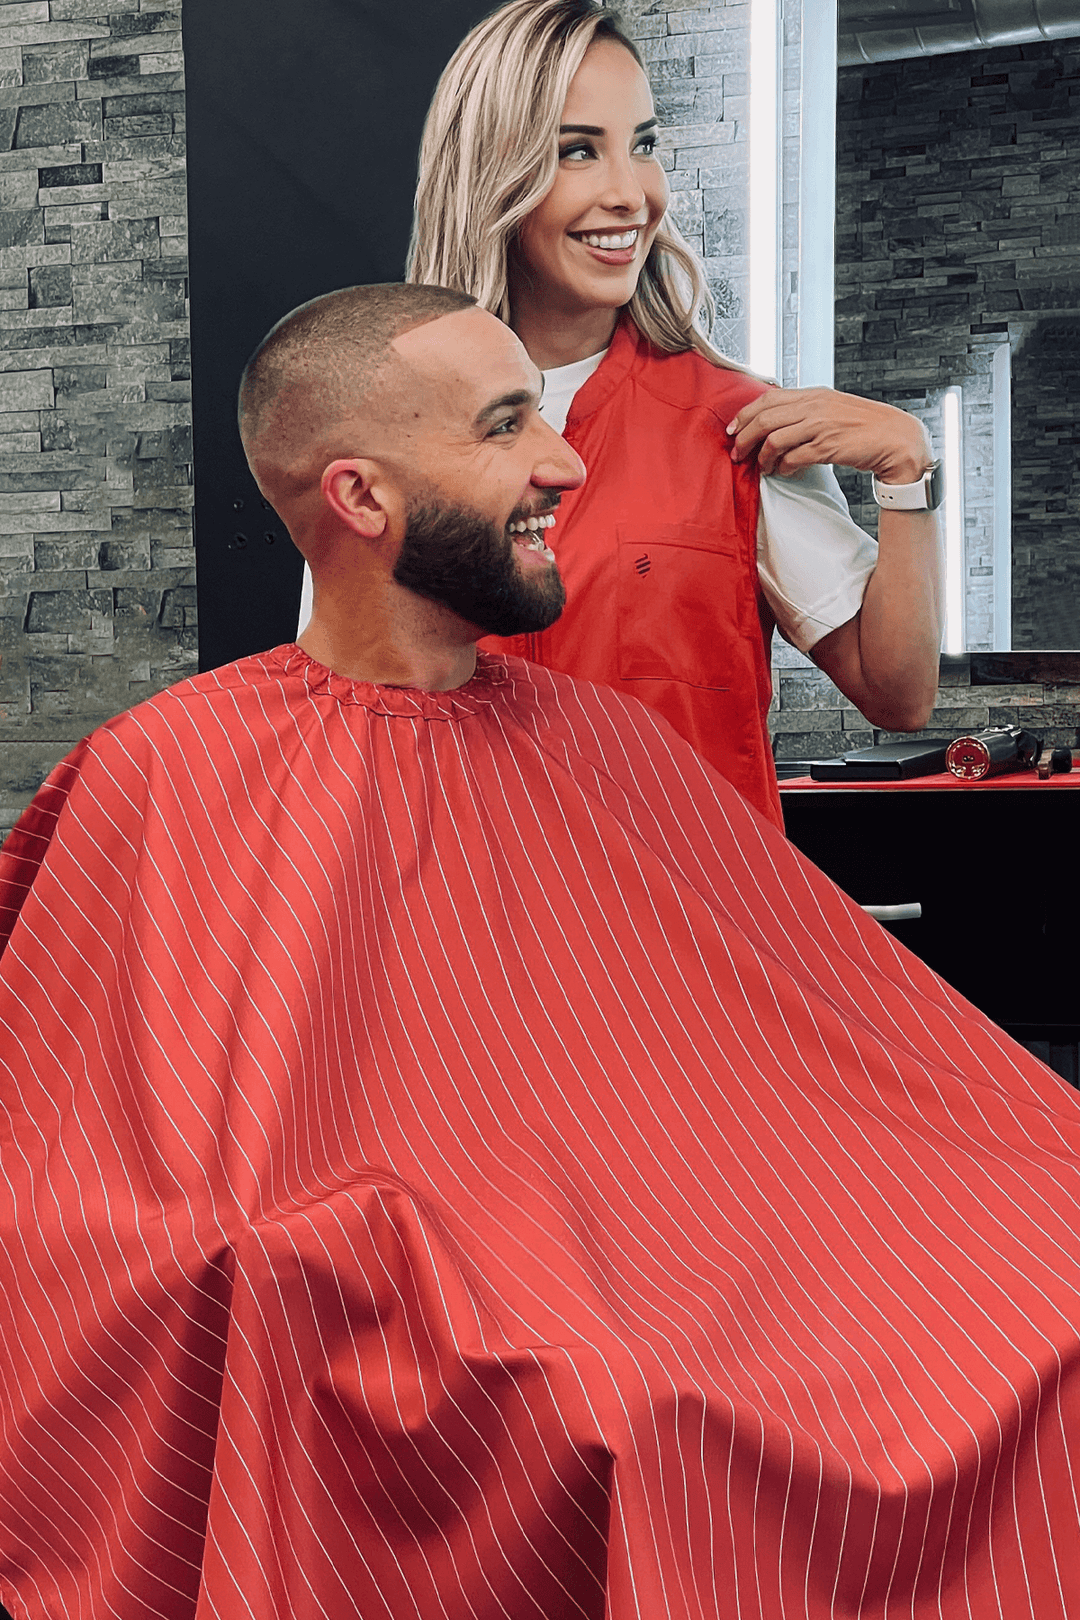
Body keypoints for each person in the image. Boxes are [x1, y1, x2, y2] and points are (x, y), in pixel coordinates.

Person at [1, 283, 1078, 1620]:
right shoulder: (167, 771)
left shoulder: (606, 745)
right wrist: (320, 1243)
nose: (565, 464)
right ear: (362, 497)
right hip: (500, 1303)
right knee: (615, 1396)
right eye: (509, 426)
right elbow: (73, 1177)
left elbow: (811, 1050)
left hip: (700, 1231)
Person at [391, 0, 945, 827]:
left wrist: (908, 470)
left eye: (643, 145)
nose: (630, 194)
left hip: (693, 937)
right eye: (578, 151)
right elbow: (349, 711)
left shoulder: (737, 426)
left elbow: (897, 694)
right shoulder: (395, 426)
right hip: (479, 935)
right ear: (491, 176)